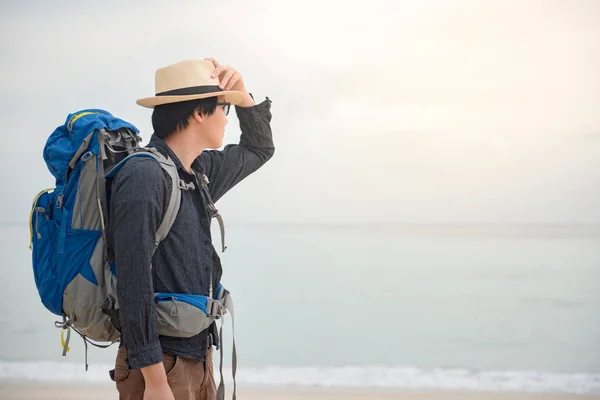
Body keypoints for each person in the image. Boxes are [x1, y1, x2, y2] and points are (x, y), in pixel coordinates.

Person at [108, 58, 274, 400]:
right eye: (224, 108)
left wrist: (244, 97)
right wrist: (155, 382)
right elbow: (133, 282)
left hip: (198, 358)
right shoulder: (144, 176)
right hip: (160, 367)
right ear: (200, 112)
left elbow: (259, 149)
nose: (227, 118)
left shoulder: (199, 172)